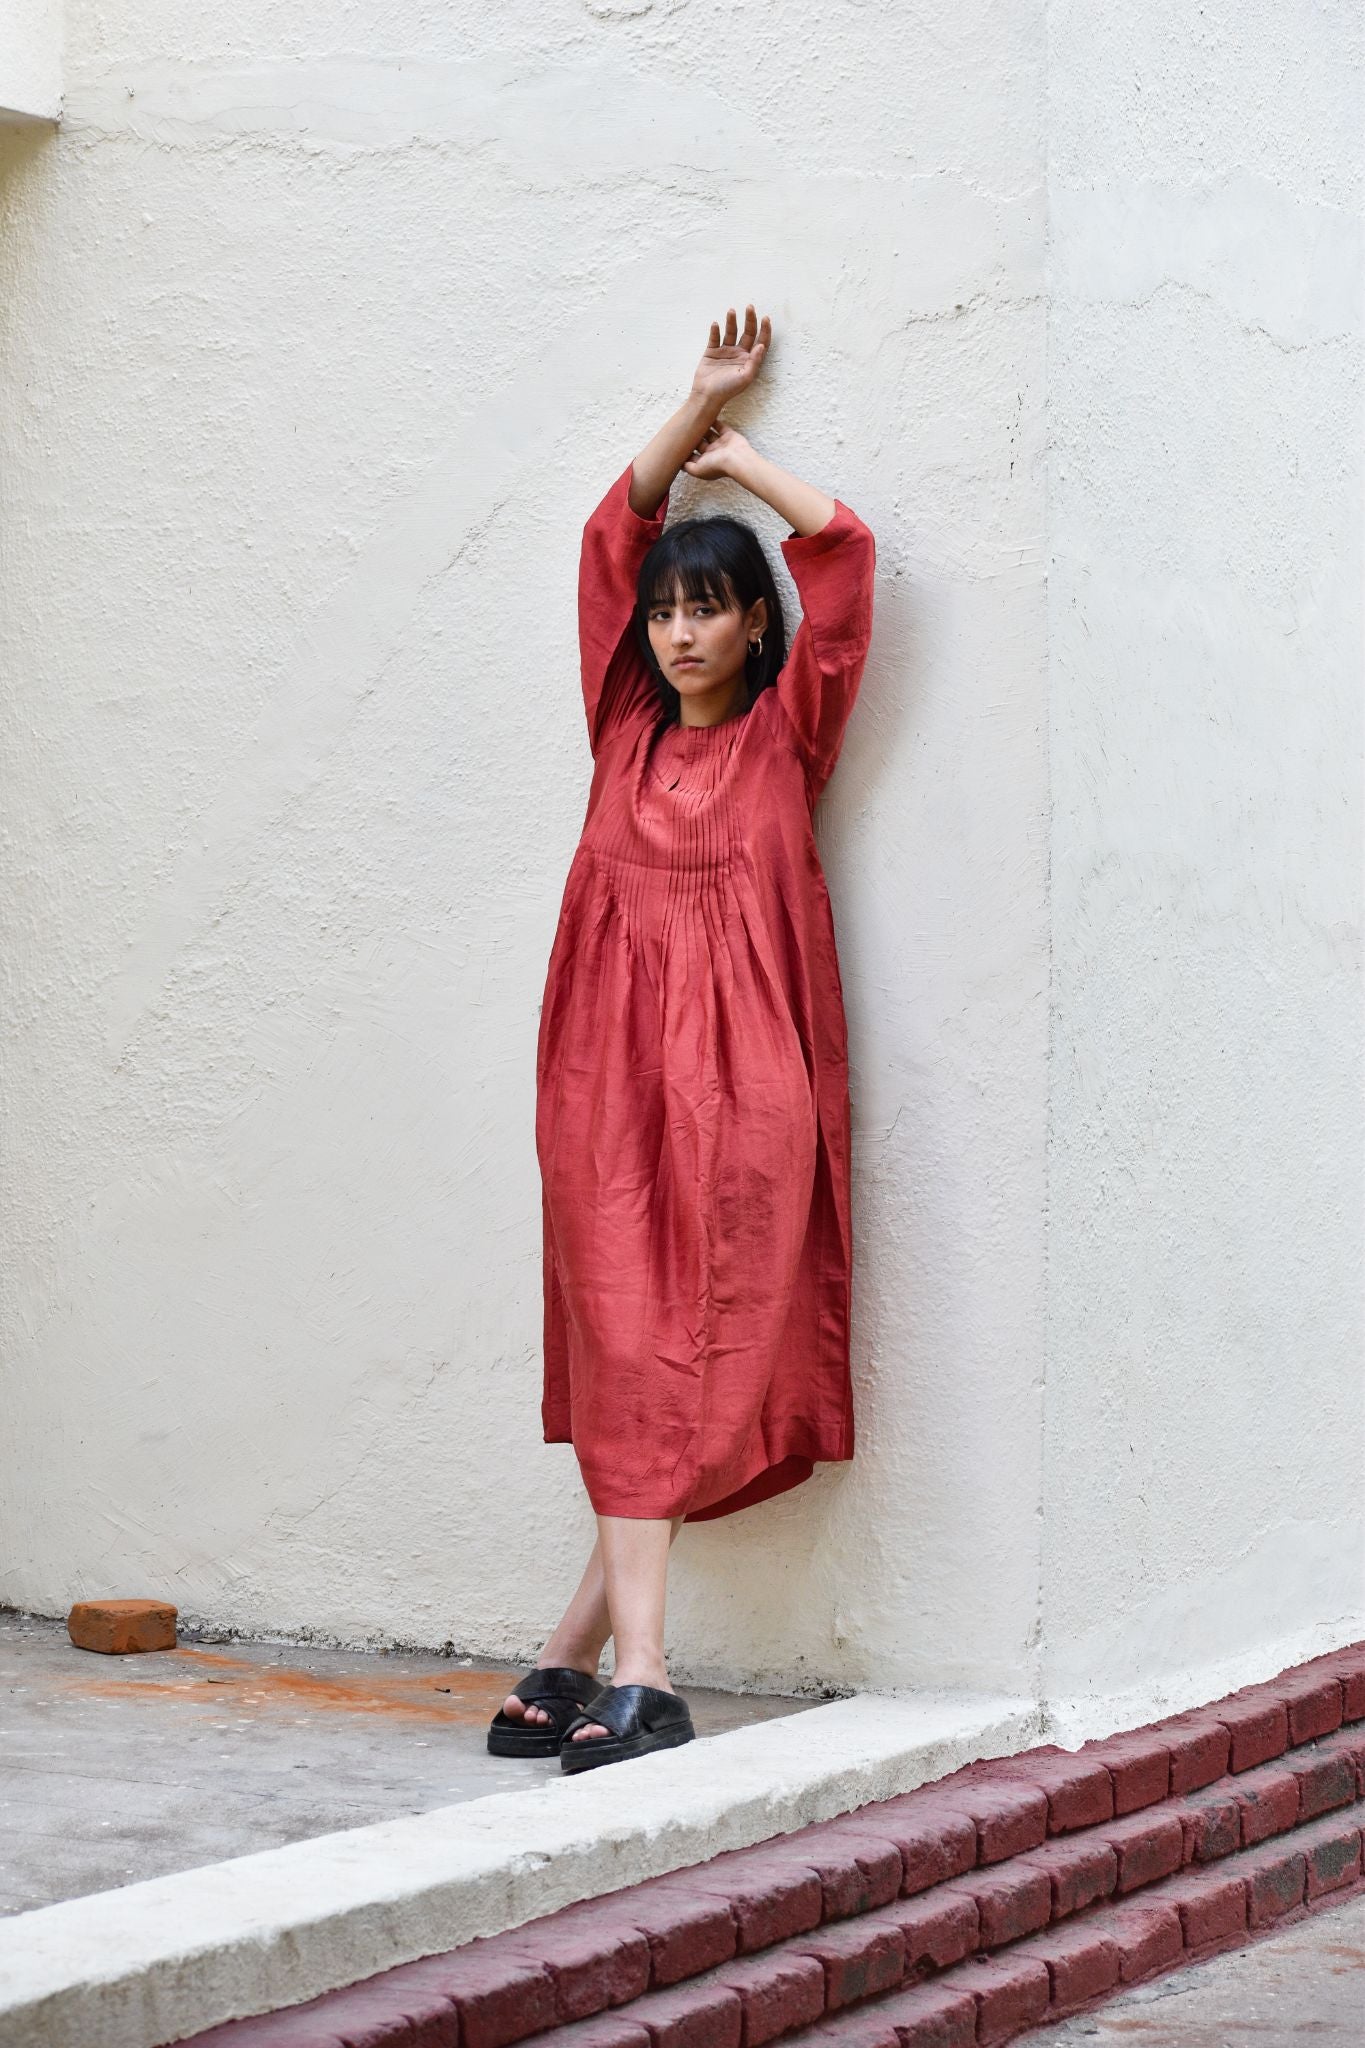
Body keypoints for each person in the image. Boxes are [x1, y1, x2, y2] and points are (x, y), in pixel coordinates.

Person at [487, 305, 876, 1773]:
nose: (679, 627)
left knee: (686, 1353)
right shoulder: (623, 732)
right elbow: (608, 540)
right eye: (666, 611)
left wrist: (748, 463)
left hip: (749, 1082)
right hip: (605, 1079)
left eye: (708, 605)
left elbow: (845, 566)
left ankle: (611, 1662)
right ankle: (609, 1661)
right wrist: (679, 418)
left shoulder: (790, 733)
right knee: (629, 1344)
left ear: (753, 623)